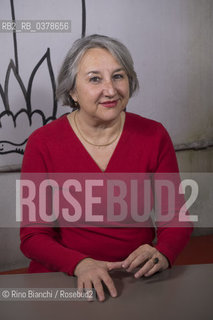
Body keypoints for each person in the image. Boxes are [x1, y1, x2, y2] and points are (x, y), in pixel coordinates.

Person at [20, 34, 193, 302]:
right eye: (94, 79)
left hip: (136, 277)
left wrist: (164, 250)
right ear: (72, 91)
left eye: (118, 76)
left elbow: (175, 218)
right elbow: (33, 235)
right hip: (66, 277)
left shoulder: (154, 135)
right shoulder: (42, 143)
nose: (111, 90)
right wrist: (80, 264)